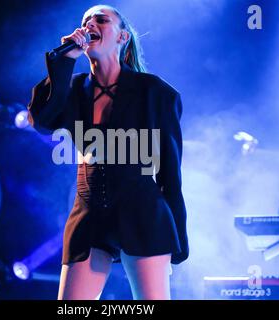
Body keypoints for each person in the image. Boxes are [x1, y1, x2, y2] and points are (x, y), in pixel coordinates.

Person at [27, 4, 188, 300]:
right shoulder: (72, 89)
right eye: (85, 20)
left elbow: (170, 171)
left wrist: (178, 238)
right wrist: (63, 64)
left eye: (101, 20)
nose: (90, 25)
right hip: (89, 212)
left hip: (141, 210)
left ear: (122, 36)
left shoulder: (155, 93)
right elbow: (42, 122)